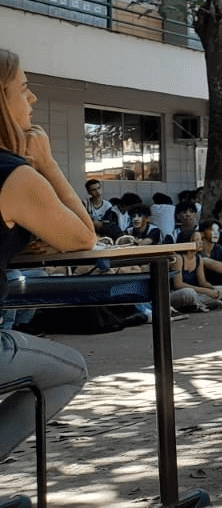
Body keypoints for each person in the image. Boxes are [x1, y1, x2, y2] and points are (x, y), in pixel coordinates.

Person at [0, 49, 95, 457]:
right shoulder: (14, 176)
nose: (32, 99)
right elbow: (82, 238)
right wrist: (49, 165)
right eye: (24, 89)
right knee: (69, 371)